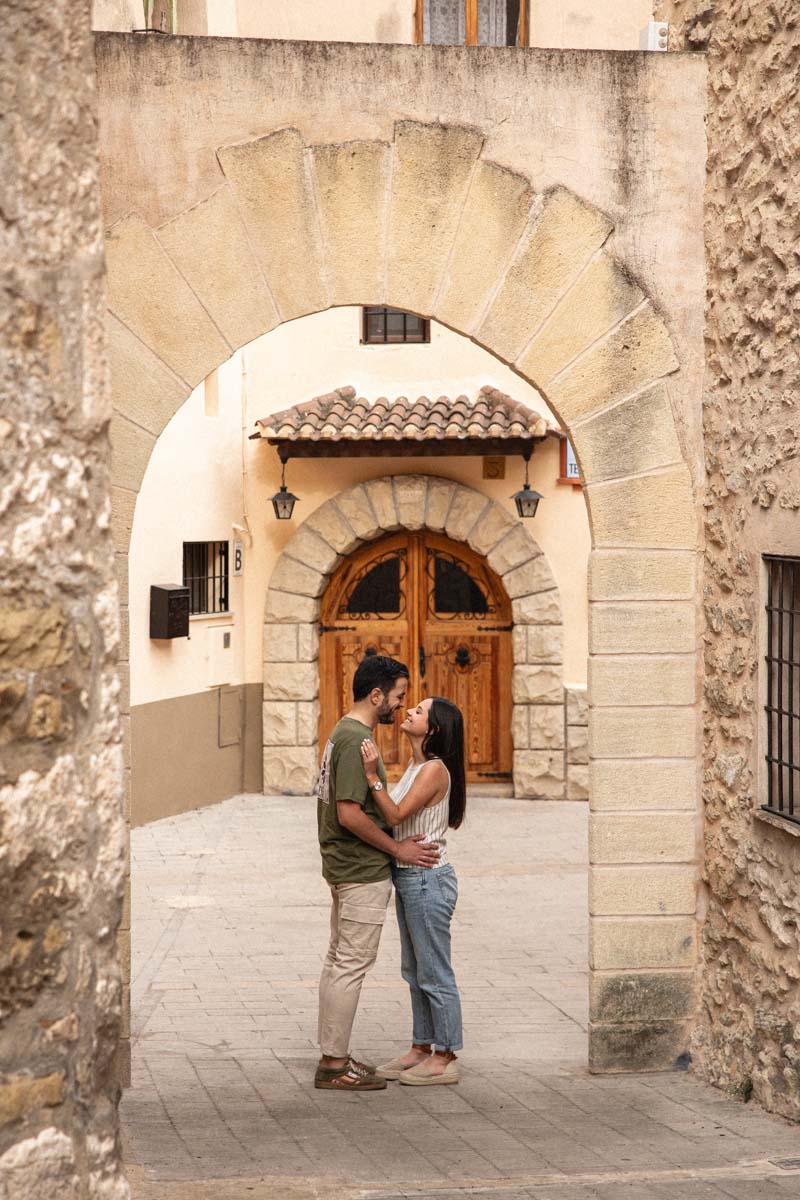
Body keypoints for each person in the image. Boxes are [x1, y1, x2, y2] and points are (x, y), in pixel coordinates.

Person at [315, 654, 441, 1091]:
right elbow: (349, 814)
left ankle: (335, 1056)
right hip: (360, 870)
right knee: (350, 964)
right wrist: (398, 849)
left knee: (338, 963)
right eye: (398, 696)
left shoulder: (344, 734)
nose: (400, 705)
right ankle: (334, 1065)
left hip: (346, 867)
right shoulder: (354, 740)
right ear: (376, 695)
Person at [360, 695, 466, 1086]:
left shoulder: (434, 771)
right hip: (410, 876)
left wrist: (371, 774)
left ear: (433, 729)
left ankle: (446, 1055)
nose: (409, 712)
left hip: (428, 878)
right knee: (414, 969)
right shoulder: (417, 765)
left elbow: (395, 814)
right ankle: (422, 1046)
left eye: (419, 711)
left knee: (434, 970)